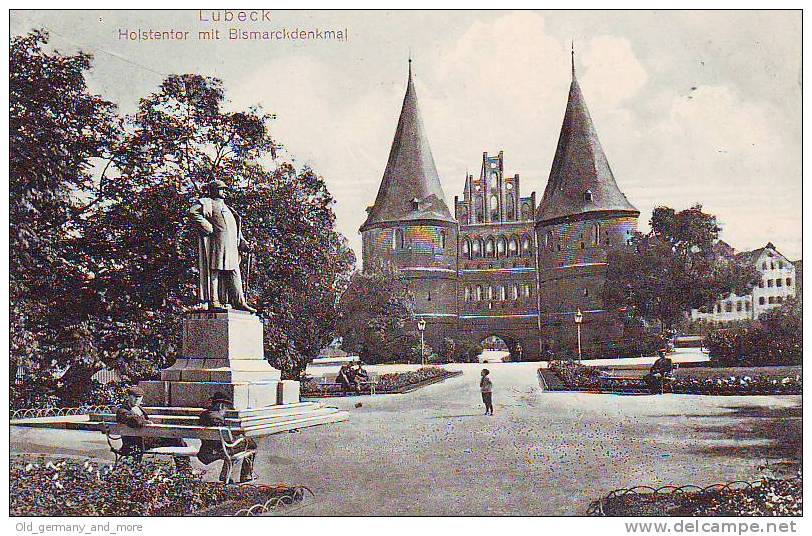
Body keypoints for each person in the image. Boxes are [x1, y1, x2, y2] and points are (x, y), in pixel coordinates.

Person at [189, 179, 255, 312]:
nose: (224, 191)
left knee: (234, 272)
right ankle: (214, 300)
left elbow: (236, 230)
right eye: (221, 188)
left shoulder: (229, 209)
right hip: (218, 242)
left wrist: (243, 243)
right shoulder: (208, 203)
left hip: (232, 246)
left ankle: (239, 301)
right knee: (215, 269)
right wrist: (207, 226)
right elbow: (193, 212)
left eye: (224, 189)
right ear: (213, 190)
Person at [115, 387, 190, 468]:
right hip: (135, 442)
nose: (137, 399)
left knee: (176, 438)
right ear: (128, 396)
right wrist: (144, 422)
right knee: (175, 439)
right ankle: (184, 468)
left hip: (145, 439)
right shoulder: (122, 410)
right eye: (135, 397)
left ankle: (184, 466)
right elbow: (133, 420)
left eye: (139, 397)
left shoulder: (138, 408)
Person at [197, 392, 257, 483]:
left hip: (206, 450)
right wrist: (239, 435)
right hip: (219, 450)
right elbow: (227, 439)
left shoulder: (203, 415)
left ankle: (226, 474)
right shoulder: (216, 418)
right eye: (226, 407)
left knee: (231, 446)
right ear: (221, 406)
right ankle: (245, 475)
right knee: (251, 444)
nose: (225, 411)